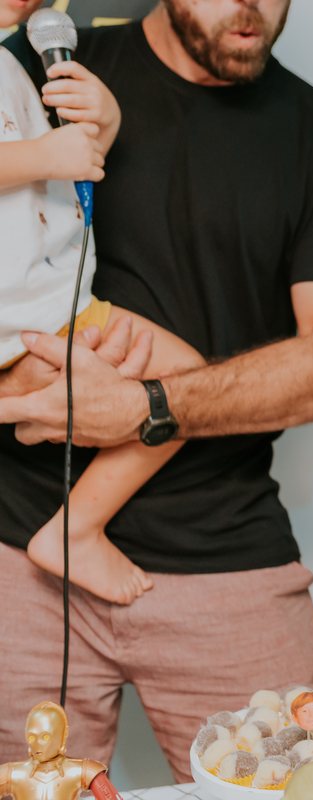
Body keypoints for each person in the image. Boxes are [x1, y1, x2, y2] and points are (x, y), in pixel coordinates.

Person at [0, 0, 313, 780]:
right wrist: (24, 377)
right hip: (19, 561)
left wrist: (142, 408)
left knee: (302, 788)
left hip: (226, 559)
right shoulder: (45, 72)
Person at [1, 0, 207, 607]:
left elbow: (58, 180)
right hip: (18, 314)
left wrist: (104, 127)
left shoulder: (14, 65)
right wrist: (44, 156)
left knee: (185, 383)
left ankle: (74, 529)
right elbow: (41, 164)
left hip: (57, 300)